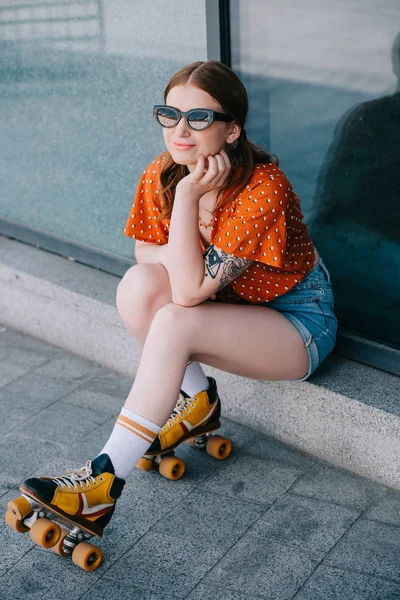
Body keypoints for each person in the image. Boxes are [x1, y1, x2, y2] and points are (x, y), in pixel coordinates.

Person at [17, 60, 337, 536]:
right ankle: (198, 402)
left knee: (173, 319)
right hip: (231, 309)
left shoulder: (261, 188)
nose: (180, 131)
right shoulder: (165, 170)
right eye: (170, 114)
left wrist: (188, 201)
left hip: (295, 320)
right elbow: (144, 250)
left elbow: (187, 291)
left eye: (200, 118)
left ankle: (102, 482)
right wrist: (183, 212)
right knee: (137, 286)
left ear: (232, 131)